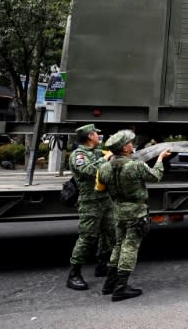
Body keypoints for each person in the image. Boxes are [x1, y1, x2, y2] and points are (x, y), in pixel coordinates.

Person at [95, 129, 172, 302]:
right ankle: (121, 287)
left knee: (118, 245)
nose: (132, 144)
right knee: (129, 247)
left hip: (118, 211)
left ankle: (109, 283)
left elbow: (99, 188)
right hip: (136, 212)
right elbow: (156, 176)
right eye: (129, 143)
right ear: (124, 148)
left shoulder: (103, 167)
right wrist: (160, 159)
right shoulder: (135, 165)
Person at [65, 124, 115, 291]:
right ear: (89, 136)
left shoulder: (95, 152)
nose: (98, 137)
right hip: (89, 202)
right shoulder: (78, 155)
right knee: (87, 238)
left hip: (105, 200)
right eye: (96, 134)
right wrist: (105, 159)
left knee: (109, 234)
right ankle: (74, 274)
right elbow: (89, 170)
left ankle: (102, 265)